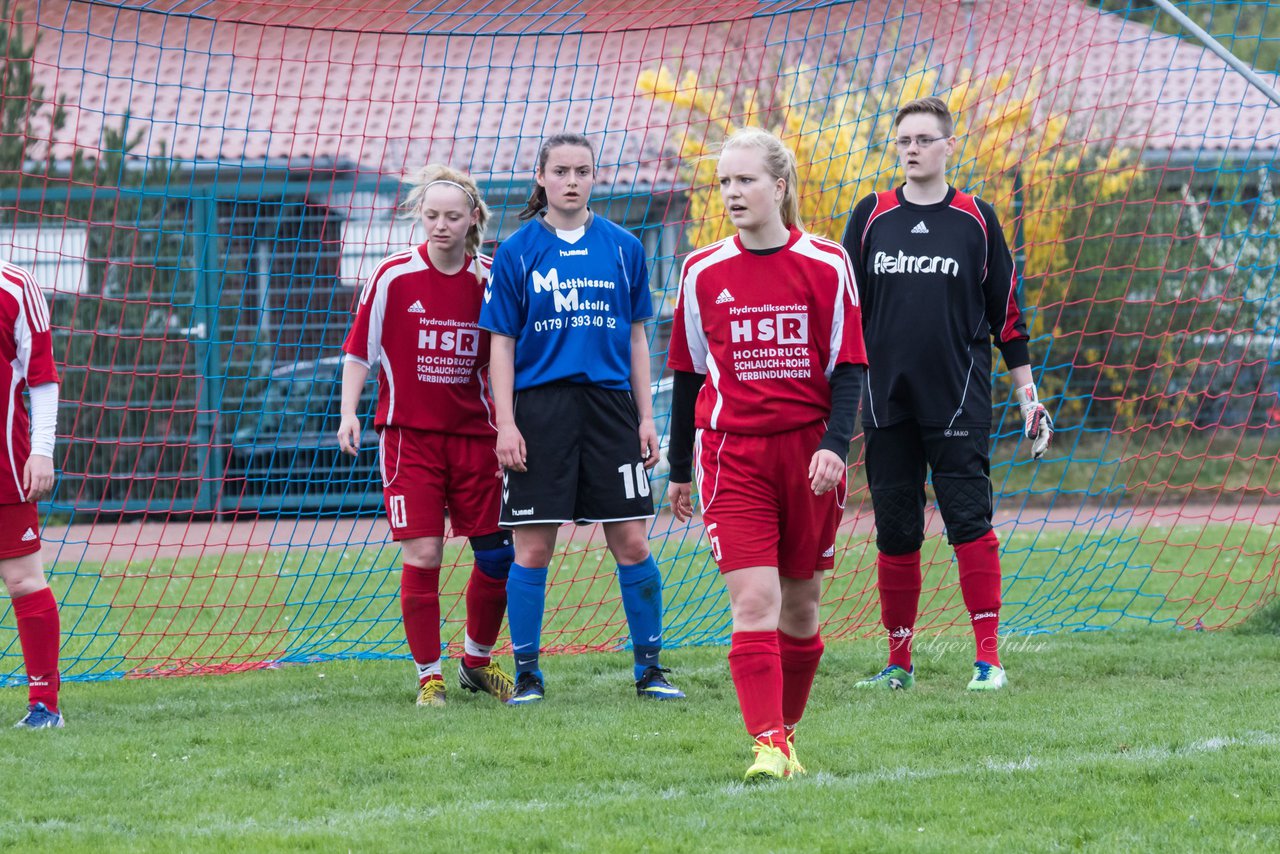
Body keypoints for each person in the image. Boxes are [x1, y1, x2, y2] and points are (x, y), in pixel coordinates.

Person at [666, 127, 868, 781]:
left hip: (810, 457)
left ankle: (786, 733)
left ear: (780, 186)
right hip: (732, 456)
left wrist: (837, 446)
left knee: (802, 606)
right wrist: (676, 469)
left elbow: (849, 367)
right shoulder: (700, 271)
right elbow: (690, 376)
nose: (732, 192)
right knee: (754, 602)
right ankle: (768, 746)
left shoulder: (828, 264)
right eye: (724, 182)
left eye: (745, 180)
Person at [840, 96, 1053, 693]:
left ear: (948, 146)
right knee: (896, 531)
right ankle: (898, 664)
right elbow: (845, 308)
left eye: (924, 139)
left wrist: (1028, 396)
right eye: (904, 139)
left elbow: (1006, 316)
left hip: (959, 401)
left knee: (968, 522)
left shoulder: (977, 219)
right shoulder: (872, 215)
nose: (912, 149)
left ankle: (989, 660)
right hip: (885, 402)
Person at [479, 132, 684, 706]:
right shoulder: (517, 251)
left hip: (610, 411)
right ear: (541, 177)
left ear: (596, 178)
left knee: (633, 543)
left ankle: (650, 669)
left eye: (584, 171)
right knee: (532, 550)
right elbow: (501, 344)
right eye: (562, 170)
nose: (573, 180)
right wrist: (507, 424)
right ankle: (527, 675)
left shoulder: (623, 247)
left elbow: (639, 338)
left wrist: (647, 417)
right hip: (540, 413)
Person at [339, 164, 515, 707]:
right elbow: (358, 351)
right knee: (423, 553)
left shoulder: (491, 280)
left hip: (475, 440)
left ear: (473, 220)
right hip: (408, 438)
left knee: (497, 557)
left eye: (452, 216)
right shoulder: (392, 276)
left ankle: (476, 663)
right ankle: (429, 677)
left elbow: (507, 358)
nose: (440, 225)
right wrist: (349, 412)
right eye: (431, 215)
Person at [0, 259, 63, 728]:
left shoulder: (17, 285)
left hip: (5, 463)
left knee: (23, 579)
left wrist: (41, 450)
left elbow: (41, 374)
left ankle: (45, 705)